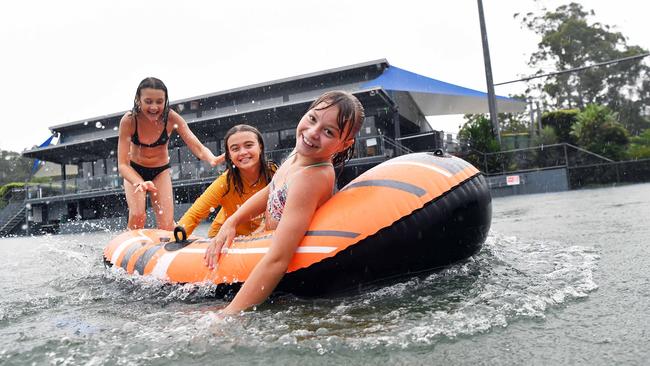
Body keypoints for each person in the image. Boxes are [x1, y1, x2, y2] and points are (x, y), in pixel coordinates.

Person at [204, 90, 365, 314]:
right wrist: (232, 220)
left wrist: (228, 314)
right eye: (312, 118)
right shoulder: (299, 154)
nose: (312, 132)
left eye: (328, 131)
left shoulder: (312, 177)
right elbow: (273, 189)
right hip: (264, 239)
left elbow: (279, 260)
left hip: (289, 281)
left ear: (344, 144)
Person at [117, 77, 222, 231]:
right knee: (139, 215)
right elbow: (122, 164)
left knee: (166, 224)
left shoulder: (171, 118)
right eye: (148, 101)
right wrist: (139, 182)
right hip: (134, 171)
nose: (154, 107)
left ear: (166, 101)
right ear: (138, 100)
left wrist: (211, 158)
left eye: (159, 101)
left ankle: (166, 248)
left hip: (160, 171)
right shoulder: (129, 121)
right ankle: (131, 244)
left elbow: (197, 146)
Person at [177, 124, 276, 237]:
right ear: (229, 155)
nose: (243, 152)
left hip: (260, 237)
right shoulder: (225, 182)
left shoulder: (275, 173)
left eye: (248, 145)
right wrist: (174, 241)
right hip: (222, 236)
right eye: (235, 149)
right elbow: (194, 215)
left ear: (260, 147)